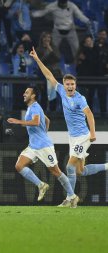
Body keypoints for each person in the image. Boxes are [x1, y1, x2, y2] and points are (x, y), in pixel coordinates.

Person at [30, 47, 108, 206]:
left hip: (83, 136)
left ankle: (70, 199)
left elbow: (90, 115)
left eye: (72, 84)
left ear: (75, 85)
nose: (70, 87)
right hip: (73, 138)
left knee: (69, 166)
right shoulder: (60, 90)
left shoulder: (80, 98)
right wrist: (37, 59)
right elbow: (49, 75)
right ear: (64, 85)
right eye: (68, 84)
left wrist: (93, 133)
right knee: (80, 171)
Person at [7, 86, 79, 207]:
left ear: (33, 96)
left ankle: (72, 197)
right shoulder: (32, 107)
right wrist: (43, 133)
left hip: (43, 146)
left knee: (56, 172)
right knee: (19, 166)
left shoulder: (35, 107)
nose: (24, 94)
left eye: (27, 92)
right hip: (33, 146)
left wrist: (19, 122)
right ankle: (41, 185)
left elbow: (36, 122)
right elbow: (47, 120)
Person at [35, 31, 62, 111]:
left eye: (49, 37)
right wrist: (48, 53)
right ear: (42, 39)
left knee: (52, 95)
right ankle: (43, 113)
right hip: (42, 74)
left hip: (53, 74)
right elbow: (40, 61)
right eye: (45, 37)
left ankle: (53, 112)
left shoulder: (54, 48)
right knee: (44, 94)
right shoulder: (38, 49)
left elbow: (58, 58)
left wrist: (51, 50)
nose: (47, 39)